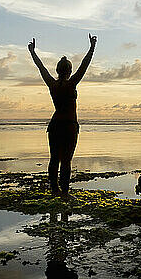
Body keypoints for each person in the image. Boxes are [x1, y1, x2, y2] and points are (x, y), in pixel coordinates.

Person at [28, 34, 96, 198]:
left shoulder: (52, 84)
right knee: (66, 160)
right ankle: (64, 193)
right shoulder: (72, 83)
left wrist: (32, 52)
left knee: (54, 159)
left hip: (55, 125)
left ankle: (54, 191)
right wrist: (92, 47)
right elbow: (84, 66)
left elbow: (41, 68)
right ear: (69, 71)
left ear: (57, 71)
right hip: (69, 125)